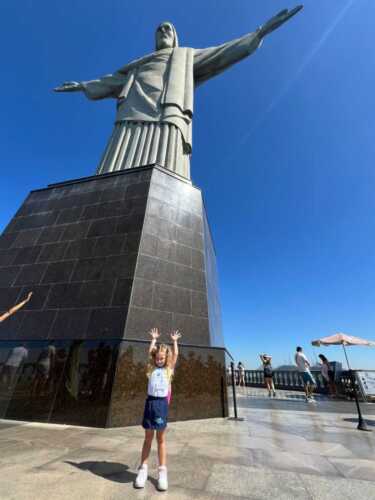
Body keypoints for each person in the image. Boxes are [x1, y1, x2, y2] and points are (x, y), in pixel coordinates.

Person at [54, 7, 302, 180]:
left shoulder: (185, 57)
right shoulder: (138, 65)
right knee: (115, 164)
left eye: (168, 29)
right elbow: (109, 81)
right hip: (133, 110)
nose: (163, 31)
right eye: (159, 29)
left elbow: (221, 53)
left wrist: (258, 33)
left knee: (167, 166)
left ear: (175, 37)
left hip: (169, 111)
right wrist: (83, 85)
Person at [134, 327, 181, 491]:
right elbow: (149, 353)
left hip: (161, 405)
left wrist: (174, 341)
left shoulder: (169, 370)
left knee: (160, 439)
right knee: (148, 437)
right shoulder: (151, 368)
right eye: (158, 358)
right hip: (150, 403)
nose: (159, 360)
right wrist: (153, 339)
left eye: (162, 358)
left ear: (165, 358)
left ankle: (162, 472)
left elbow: (175, 356)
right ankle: (143, 469)